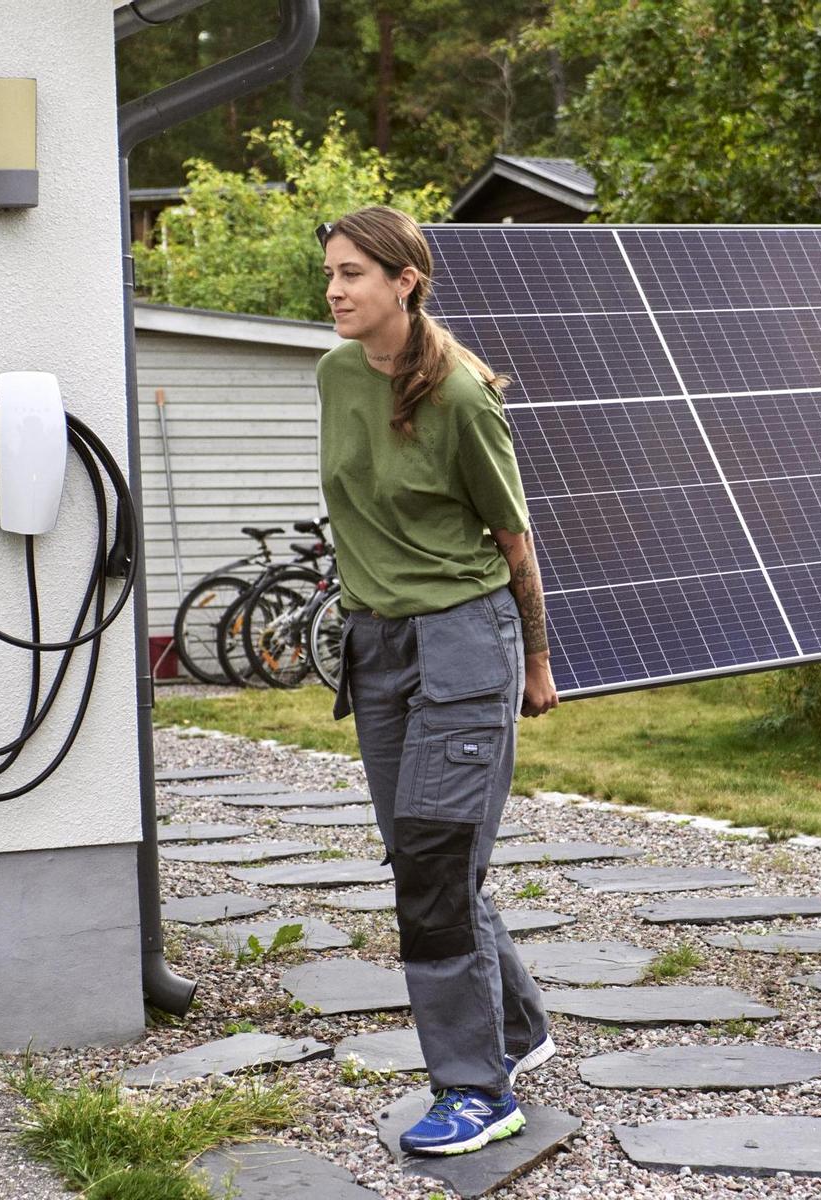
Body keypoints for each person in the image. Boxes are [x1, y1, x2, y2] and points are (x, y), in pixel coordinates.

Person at [315, 206, 559, 1155]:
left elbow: (514, 541)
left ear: (404, 281)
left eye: (353, 275)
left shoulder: (461, 395)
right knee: (430, 855)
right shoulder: (336, 375)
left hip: (464, 641)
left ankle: (476, 1088)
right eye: (330, 274)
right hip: (375, 647)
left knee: (431, 867)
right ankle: (517, 1028)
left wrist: (535, 660)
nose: (335, 291)